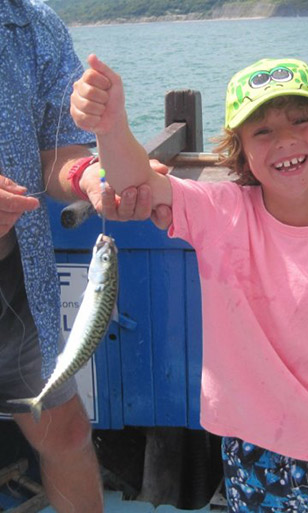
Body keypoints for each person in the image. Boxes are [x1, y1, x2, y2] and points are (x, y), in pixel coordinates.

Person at [71, 54, 308, 512]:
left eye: (301, 121)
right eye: (262, 131)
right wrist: (111, 125)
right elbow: (133, 183)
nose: (285, 140)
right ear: (241, 151)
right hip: (251, 454)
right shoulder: (219, 213)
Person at [0, 1, 166, 512]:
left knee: (65, 432)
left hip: (16, 279)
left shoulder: (30, 23)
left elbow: (61, 152)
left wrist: (93, 178)